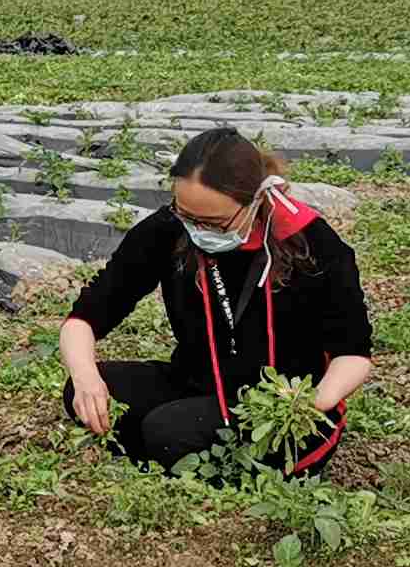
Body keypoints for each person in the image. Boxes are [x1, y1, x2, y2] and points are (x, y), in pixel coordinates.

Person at [57, 129, 372, 474]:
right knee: (87, 392)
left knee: (167, 432)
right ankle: (175, 446)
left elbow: (353, 354)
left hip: (278, 400)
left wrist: (308, 404)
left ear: (255, 199)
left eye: (214, 223)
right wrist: (85, 378)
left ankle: (178, 449)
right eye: (187, 215)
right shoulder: (168, 228)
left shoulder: (311, 243)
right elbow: (86, 317)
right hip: (198, 382)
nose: (197, 230)